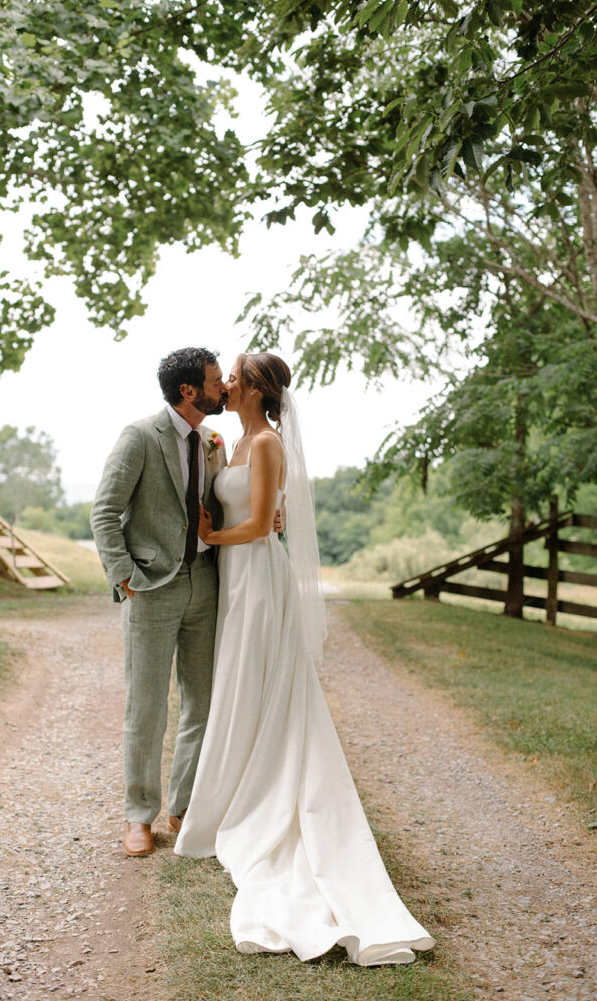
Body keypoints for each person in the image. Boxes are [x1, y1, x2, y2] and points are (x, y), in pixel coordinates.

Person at [175, 352, 435, 966]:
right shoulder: (235, 442)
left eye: (236, 376)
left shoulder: (265, 443)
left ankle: (262, 798)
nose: (228, 383)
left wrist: (211, 536)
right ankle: (233, 786)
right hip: (236, 581)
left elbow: (263, 524)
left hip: (258, 581)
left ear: (257, 390)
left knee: (256, 682)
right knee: (241, 686)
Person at [90, 347, 228, 858]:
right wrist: (123, 575)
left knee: (203, 702)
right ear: (188, 390)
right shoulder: (139, 438)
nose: (224, 389)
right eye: (216, 382)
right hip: (151, 588)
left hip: (207, 586)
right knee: (146, 707)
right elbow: (104, 512)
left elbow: (222, 507)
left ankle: (183, 806)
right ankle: (138, 815)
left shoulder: (215, 441)